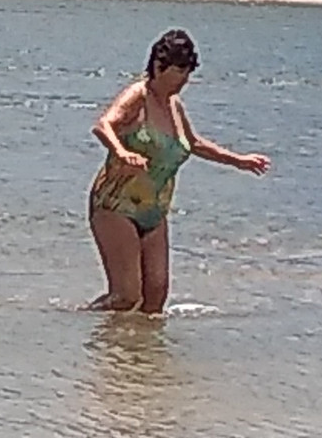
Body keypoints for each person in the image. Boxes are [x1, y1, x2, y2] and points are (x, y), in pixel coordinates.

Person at [87, 29, 270, 314]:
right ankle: (80, 322)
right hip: (115, 205)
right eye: (180, 71)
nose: (185, 79)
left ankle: (134, 345)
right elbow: (103, 125)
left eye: (188, 72)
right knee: (126, 296)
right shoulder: (139, 95)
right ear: (159, 66)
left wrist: (238, 160)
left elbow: (193, 144)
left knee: (155, 300)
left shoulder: (174, 105)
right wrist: (121, 152)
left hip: (154, 211)